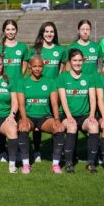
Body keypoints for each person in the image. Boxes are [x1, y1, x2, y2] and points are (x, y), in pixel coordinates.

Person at [20, 54, 66, 173]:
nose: (37, 68)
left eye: (40, 66)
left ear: (43, 67)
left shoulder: (50, 82)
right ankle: (25, 164)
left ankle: (55, 164)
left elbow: (55, 103)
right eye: (34, 66)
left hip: (44, 118)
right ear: (29, 66)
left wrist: (56, 119)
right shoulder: (23, 82)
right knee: (23, 128)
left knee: (59, 129)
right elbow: (21, 104)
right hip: (29, 117)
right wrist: (24, 119)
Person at [57, 48, 100, 173]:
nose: (78, 63)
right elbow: (63, 100)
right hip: (66, 115)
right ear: (69, 61)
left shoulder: (89, 77)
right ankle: (69, 163)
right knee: (72, 127)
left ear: (83, 61)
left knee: (94, 126)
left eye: (80, 60)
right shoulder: (63, 77)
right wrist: (69, 116)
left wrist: (92, 115)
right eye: (75, 60)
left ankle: (91, 163)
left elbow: (93, 99)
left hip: (84, 115)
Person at [0, 19, 29, 163]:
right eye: (7, 29)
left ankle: (19, 150)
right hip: (3, 88)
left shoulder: (23, 47)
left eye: (13, 29)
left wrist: (17, 79)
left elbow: (25, 65)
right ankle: (2, 152)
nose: (10, 32)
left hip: (18, 87)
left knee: (19, 118)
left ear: (16, 30)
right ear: (4, 31)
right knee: (2, 117)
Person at [33, 21, 65, 156]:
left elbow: (62, 70)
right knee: (37, 119)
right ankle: (36, 150)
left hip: (54, 91)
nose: (49, 34)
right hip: (39, 90)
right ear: (42, 33)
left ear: (55, 33)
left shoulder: (60, 50)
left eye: (52, 32)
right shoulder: (36, 50)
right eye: (46, 31)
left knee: (55, 118)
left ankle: (56, 148)